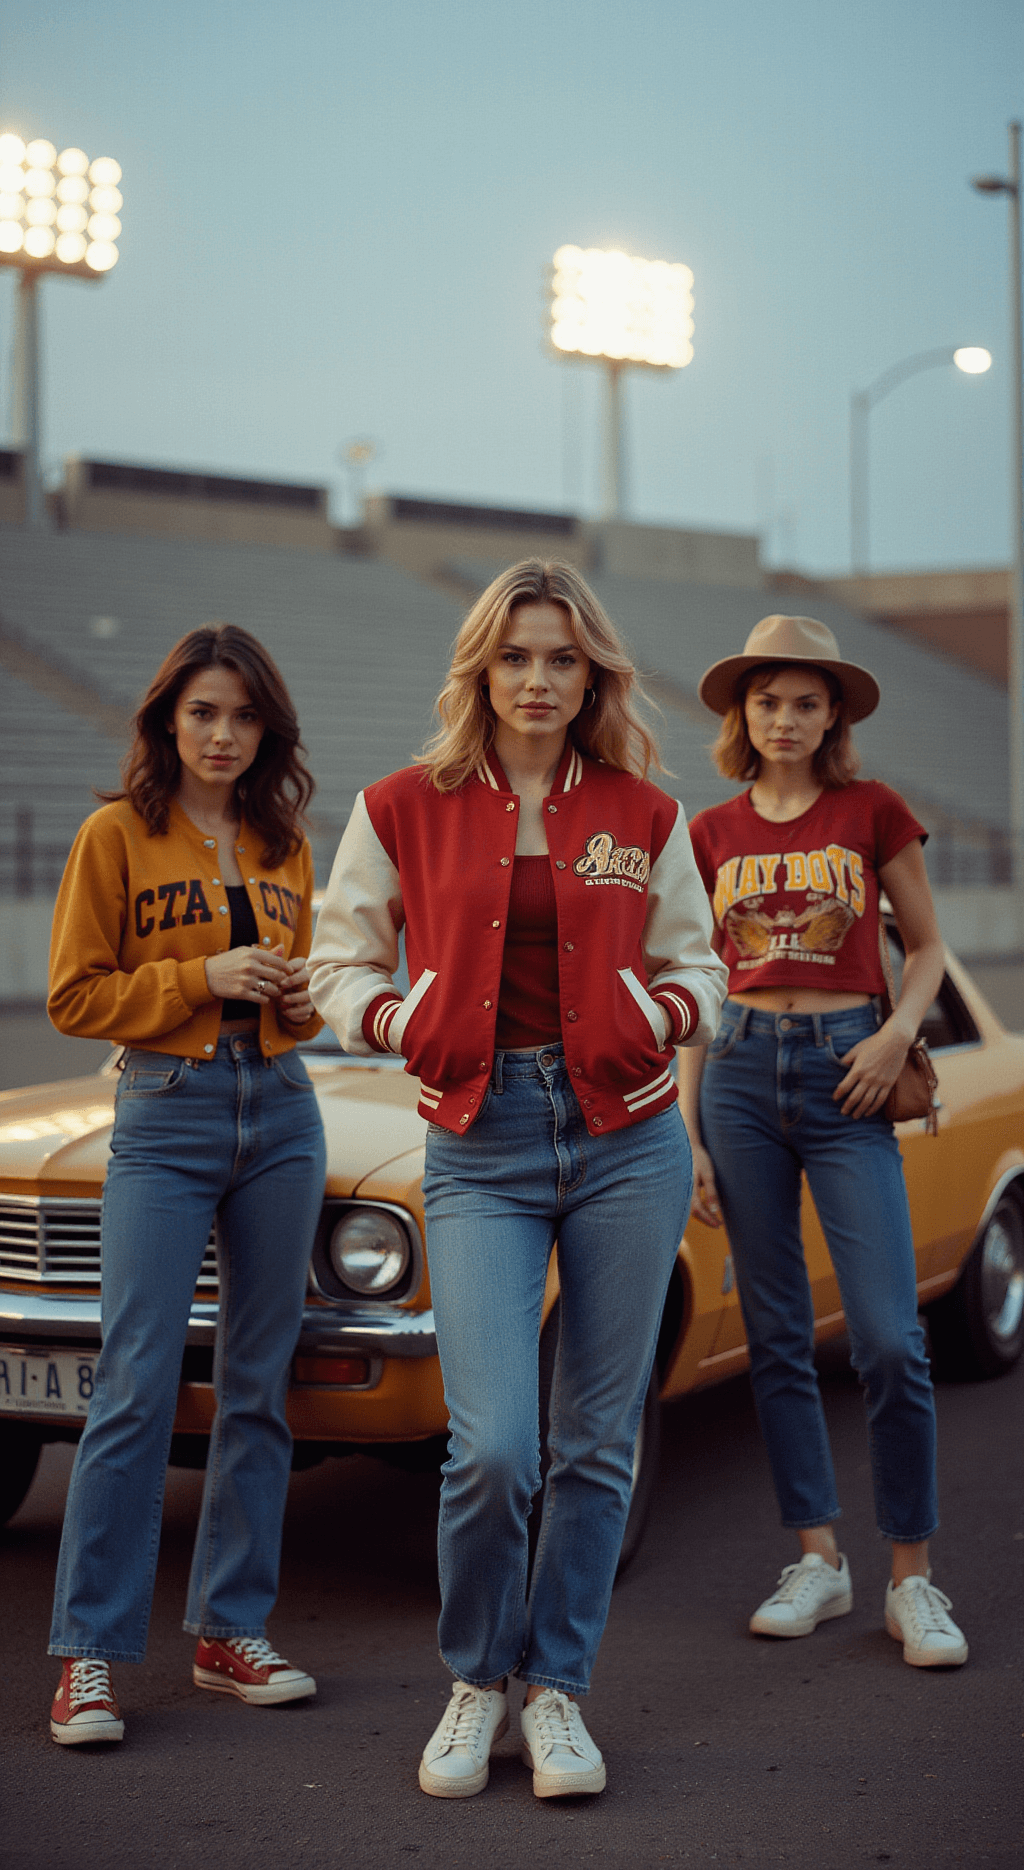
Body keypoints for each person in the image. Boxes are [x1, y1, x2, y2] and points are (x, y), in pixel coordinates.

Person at [309, 558, 726, 1798]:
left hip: (627, 1140)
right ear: (479, 668)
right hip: (479, 1144)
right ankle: (474, 1679)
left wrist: (658, 1009)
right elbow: (337, 961)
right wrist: (394, 1022)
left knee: (596, 1441)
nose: (537, 680)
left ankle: (556, 1691)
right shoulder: (400, 805)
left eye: (560, 659)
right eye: (515, 657)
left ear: (590, 671)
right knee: (492, 1445)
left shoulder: (645, 812)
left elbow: (704, 970)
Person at [46, 624, 327, 1745]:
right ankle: (89, 1658)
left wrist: (296, 995)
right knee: (136, 1382)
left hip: (284, 1109)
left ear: (269, 730)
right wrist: (198, 976)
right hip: (165, 1113)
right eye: (204, 712)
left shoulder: (285, 839)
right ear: (169, 717)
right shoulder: (116, 835)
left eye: (244, 715)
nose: (223, 734)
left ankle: (228, 1631)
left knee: (260, 1386)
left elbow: (304, 1007)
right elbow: (74, 996)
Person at [681, 613, 967, 1668]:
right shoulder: (708, 831)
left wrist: (897, 1035)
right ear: (741, 715)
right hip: (742, 1073)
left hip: (853, 1069)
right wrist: (691, 1136)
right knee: (776, 1334)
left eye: (805, 701)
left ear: (831, 713)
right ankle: (817, 1556)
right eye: (767, 700)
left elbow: (927, 947)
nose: (785, 718)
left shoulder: (871, 810)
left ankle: (912, 1578)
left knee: (890, 1336)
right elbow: (699, 990)